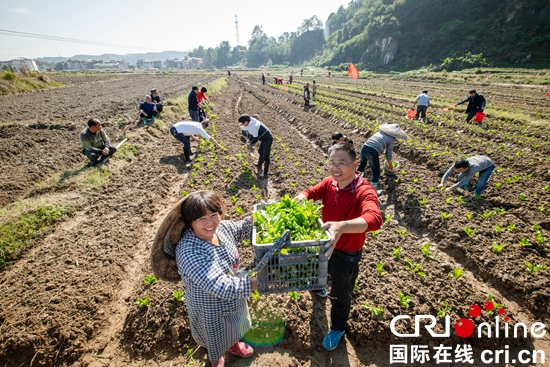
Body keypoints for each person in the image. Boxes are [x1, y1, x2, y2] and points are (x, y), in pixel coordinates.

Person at [295, 143, 382, 351]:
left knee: (341, 293)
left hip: (346, 253)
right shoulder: (329, 183)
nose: (336, 168)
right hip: (325, 244)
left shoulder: (364, 190)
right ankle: (320, 285)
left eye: (342, 163)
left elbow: (374, 219)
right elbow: (310, 192)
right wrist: (302, 197)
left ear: (354, 165)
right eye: (332, 163)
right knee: (320, 271)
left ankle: (337, 328)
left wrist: (341, 227)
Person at [175, 191, 257, 367]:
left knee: (234, 328)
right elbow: (222, 286)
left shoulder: (223, 229)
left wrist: (255, 218)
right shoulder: (189, 251)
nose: (210, 222)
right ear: (191, 222)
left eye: (214, 215)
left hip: (235, 300)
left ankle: (233, 345)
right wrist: (259, 283)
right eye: (202, 219)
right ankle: (215, 358)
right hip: (210, 309)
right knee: (215, 337)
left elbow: (241, 229)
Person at [357, 124, 407, 195]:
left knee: (362, 165)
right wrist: (390, 165)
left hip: (364, 147)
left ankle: (353, 182)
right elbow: (389, 153)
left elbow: (374, 143)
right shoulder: (391, 139)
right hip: (372, 152)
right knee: (376, 172)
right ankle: (372, 191)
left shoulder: (380, 132)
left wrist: (380, 151)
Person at [238, 114, 273, 178]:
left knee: (266, 155)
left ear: (246, 122)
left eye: (242, 123)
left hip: (267, 138)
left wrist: (250, 143)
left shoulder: (252, 126)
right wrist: (249, 140)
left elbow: (256, 138)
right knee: (260, 151)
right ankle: (259, 164)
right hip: (264, 138)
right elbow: (252, 135)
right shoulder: (250, 121)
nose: (242, 125)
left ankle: (265, 173)